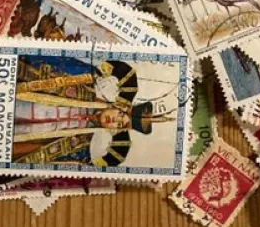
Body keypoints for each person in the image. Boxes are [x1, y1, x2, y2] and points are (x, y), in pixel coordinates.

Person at [12, 55, 155, 167]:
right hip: (18, 102)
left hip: (19, 132)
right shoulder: (87, 86)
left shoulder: (84, 144)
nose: (114, 120)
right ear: (118, 106)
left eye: (119, 124)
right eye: (120, 114)